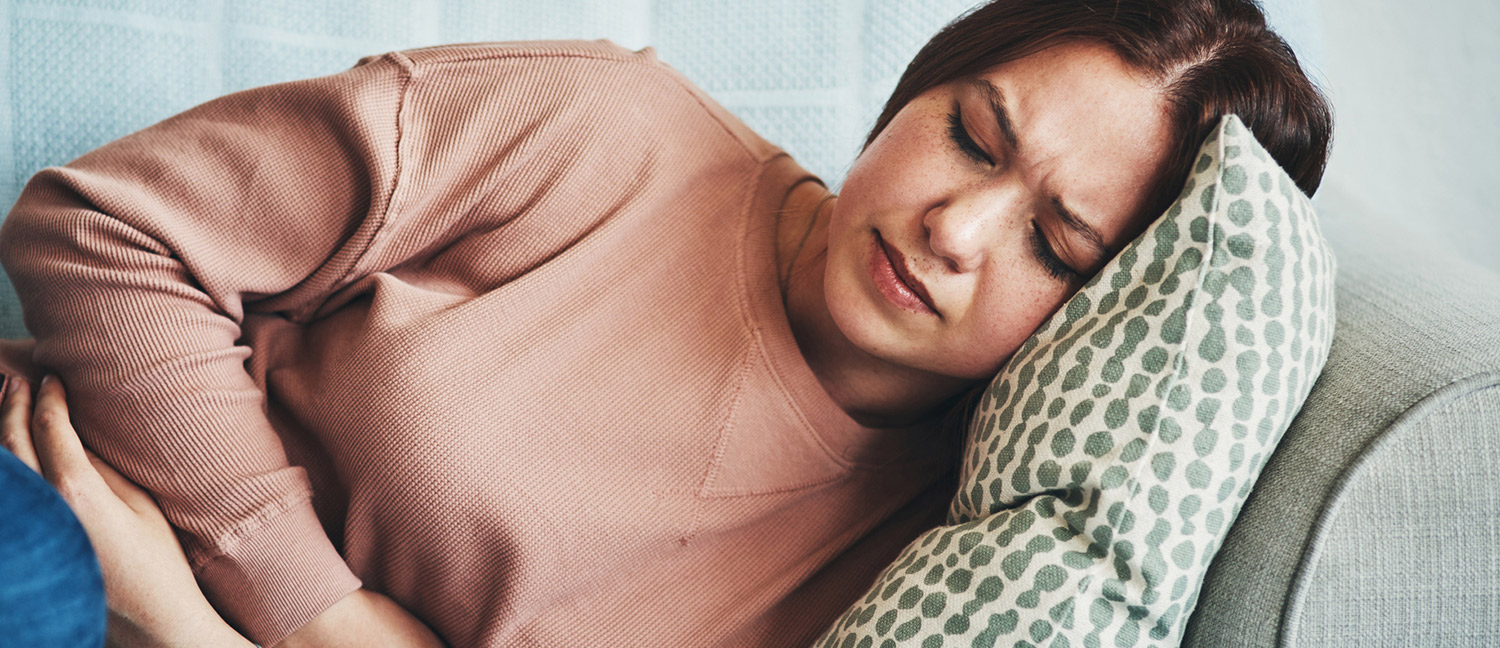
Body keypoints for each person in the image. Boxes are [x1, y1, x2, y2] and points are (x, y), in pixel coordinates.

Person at [0, 0, 1332, 646]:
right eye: (973, 136)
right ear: (918, 90)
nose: (958, 228)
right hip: (49, 521)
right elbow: (104, 228)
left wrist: (208, 631)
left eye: (1059, 245)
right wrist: (317, 610)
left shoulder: (936, 565)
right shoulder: (607, 128)